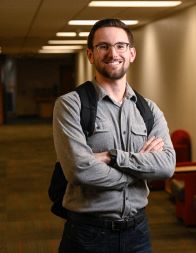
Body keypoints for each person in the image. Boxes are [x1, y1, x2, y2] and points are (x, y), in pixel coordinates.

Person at [52, 18, 176, 253]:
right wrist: (140, 170)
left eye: (120, 46)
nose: (113, 53)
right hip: (87, 235)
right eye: (103, 46)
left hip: (138, 233)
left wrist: (112, 157)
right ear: (90, 54)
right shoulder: (70, 105)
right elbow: (79, 170)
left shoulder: (148, 109)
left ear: (132, 53)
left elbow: (167, 166)